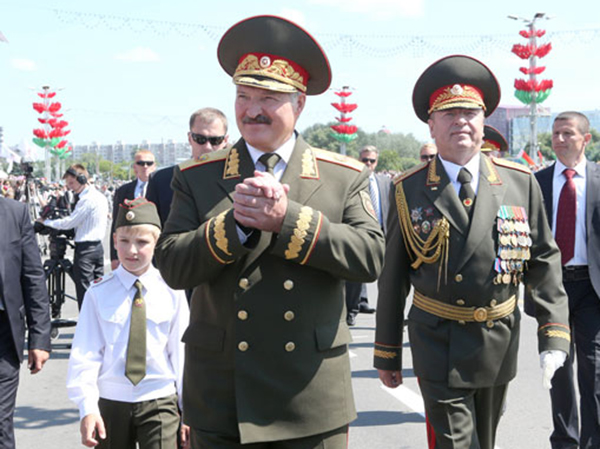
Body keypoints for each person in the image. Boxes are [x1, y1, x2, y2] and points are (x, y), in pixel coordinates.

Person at [155, 15, 385, 449]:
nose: (252, 110)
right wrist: (234, 226)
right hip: (223, 395)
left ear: (299, 104)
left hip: (310, 396)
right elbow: (172, 265)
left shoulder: (343, 175)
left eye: (269, 98)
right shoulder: (196, 176)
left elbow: (370, 257)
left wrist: (288, 221)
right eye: (243, 96)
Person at [374, 54, 570, 449]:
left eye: (470, 113)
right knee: (456, 443)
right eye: (449, 114)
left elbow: (543, 260)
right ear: (431, 124)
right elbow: (393, 277)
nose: (461, 121)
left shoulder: (519, 182)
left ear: (484, 122)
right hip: (437, 340)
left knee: (485, 440)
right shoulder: (408, 189)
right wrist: (387, 351)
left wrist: (554, 334)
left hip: (497, 339)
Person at [67, 197, 190, 449]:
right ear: (114, 241)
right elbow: (86, 354)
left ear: (157, 243)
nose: (132, 250)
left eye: (142, 242)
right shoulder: (98, 292)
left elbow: (181, 353)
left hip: (159, 398)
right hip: (111, 400)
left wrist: (189, 410)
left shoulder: (172, 291)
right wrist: (87, 407)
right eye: (124, 241)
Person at [533, 111, 600, 449]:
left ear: (586, 139)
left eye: (567, 133)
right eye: (555, 133)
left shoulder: (598, 179)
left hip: (591, 287)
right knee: (556, 367)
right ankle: (564, 441)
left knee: (593, 369)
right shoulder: (537, 182)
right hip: (551, 288)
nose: (559, 139)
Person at [0, 196, 51, 449]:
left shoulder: (14, 213)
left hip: (3, 336)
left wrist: (39, 338)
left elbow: (32, 275)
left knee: (1, 423)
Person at [40, 164, 109, 309]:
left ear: (82, 179)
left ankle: (87, 322)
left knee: (85, 294)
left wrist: (46, 222)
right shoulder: (98, 196)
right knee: (98, 291)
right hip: (97, 249)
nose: (69, 187)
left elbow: (70, 222)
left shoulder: (87, 199)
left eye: (71, 183)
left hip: (86, 251)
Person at [146, 108, 229, 227]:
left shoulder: (238, 180)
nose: (207, 147)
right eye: (200, 139)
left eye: (215, 140)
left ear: (225, 140)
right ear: (190, 138)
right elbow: (150, 230)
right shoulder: (161, 180)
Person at [346, 145, 392, 325]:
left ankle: (389, 314)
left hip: (384, 233)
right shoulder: (352, 181)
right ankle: (351, 311)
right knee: (355, 274)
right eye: (364, 160)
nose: (368, 164)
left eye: (372, 161)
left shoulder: (385, 182)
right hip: (360, 234)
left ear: (376, 162)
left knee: (388, 277)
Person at [110, 149, 156, 270]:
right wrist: (114, 257)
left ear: (154, 166)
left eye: (149, 163)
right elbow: (116, 224)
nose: (145, 166)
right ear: (134, 167)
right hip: (129, 249)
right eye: (141, 163)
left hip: (153, 249)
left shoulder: (164, 189)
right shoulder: (123, 190)